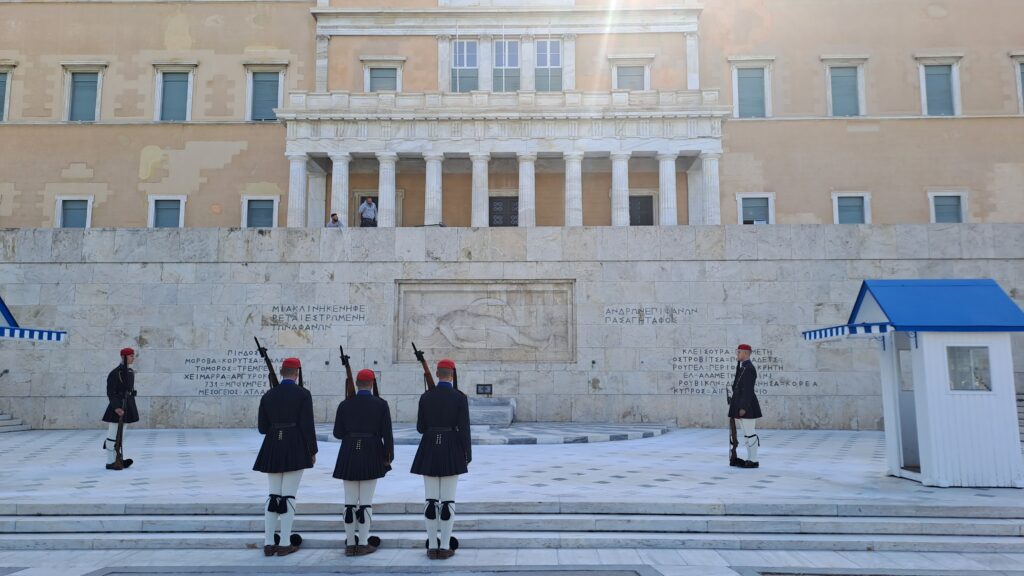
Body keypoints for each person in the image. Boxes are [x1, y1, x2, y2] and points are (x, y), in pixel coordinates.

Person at [253, 357, 318, 557]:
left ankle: (268, 542)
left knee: (273, 495)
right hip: (294, 445)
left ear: (281, 372)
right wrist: (312, 450)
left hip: (273, 444)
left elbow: (263, 428)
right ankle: (284, 542)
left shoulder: (268, 395)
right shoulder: (303, 394)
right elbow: (307, 425)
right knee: (288, 495)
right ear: (297, 373)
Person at [410, 359, 471, 560]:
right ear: (452, 375)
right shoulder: (459, 397)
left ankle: (432, 545)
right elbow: (464, 428)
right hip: (452, 447)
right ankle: (444, 546)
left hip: (429, 447)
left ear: (437, 374)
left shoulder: (426, 396)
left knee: (430, 500)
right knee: (448, 501)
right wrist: (467, 454)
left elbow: (420, 428)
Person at [333, 369, 394, 556]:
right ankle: (363, 542)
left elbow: (337, 433)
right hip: (371, 451)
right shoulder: (381, 404)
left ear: (357, 384)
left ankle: (350, 544)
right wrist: (388, 456)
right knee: (366, 502)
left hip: (349, 452)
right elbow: (387, 434)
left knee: (349, 503)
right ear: (372, 384)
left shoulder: (344, 404)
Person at [102, 347, 139, 470]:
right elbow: (110, 392)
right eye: (131, 356)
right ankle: (110, 461)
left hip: (127, 405)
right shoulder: (115, 373)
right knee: (112, 435)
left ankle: (118, 459)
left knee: (120, 436)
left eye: (133, 355)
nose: (133, 358)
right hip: (117, 407)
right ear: (124, 357)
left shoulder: (130, 372)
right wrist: (116, 407)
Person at [729, 344, 763, 469]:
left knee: (750, 432)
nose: (737, 355)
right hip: (740, 404)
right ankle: (750, 458)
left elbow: (748, 390)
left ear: (746, 353)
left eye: (739, 352)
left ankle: (754, 460)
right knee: (745, 433)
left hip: (747, 406)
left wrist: (743, 407)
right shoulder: (743, 367)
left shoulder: (749, 368)